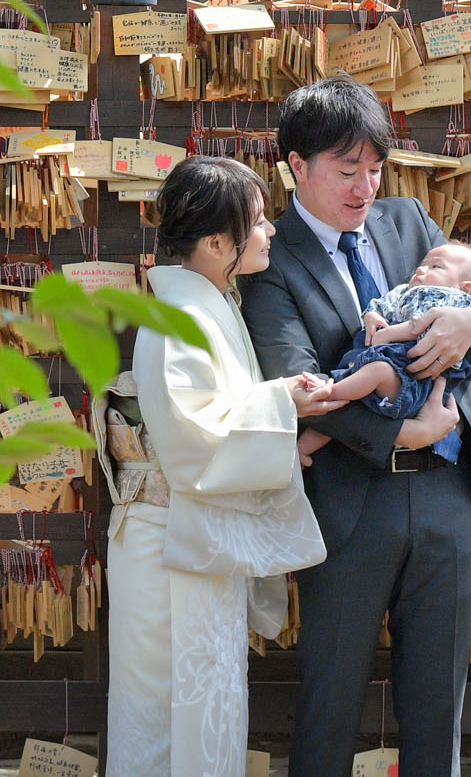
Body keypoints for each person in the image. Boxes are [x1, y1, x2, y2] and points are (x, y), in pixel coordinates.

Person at [240, 76, 471, 777]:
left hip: (446, 496)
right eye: (346, 171)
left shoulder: (409, 219)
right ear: (296, 165)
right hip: (350, 505)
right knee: (330, 702)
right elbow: (301, 384)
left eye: (375, 168)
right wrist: (398, 435)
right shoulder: (271, 260)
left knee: (437, 708)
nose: (365, 189)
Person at [103, 156, 344, 777]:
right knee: (165, 714)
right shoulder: (182, 318)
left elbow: (216, 419)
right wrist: (282, 399)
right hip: (168, 546)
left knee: (200, 708)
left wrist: (286, 417)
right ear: (216, 242)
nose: (268, 231)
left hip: (190, 538)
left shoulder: (206, 303)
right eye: (257, 221)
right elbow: (194, 437)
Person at [298, 241, 471, 446]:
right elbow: (380, 305)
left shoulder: (454, 301)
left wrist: (389, 334)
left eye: (435, 266)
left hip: (413, 377)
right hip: (383, 361)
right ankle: (304, 449)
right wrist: (372, 316)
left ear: (465, 288)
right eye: (423, 264)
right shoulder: (404, 291)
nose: (421, 269)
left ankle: (329, 392)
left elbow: (428, 330)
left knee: (374, 373)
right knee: (346, 408)